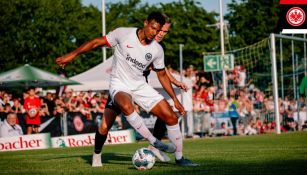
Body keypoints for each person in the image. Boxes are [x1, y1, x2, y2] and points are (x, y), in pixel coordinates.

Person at [56, 12, 198, 167]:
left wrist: (176, 100)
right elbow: (96, 42)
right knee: (106, 124)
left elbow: (162, 74)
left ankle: (179, 158)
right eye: (153, 28)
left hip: (140, 85)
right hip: (119, 85)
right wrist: (72, 55)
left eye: (158, 31)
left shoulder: (157, 49)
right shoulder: (123, 33)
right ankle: (101, 154)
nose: (155, 33)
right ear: (145, 23)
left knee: (170, 116)